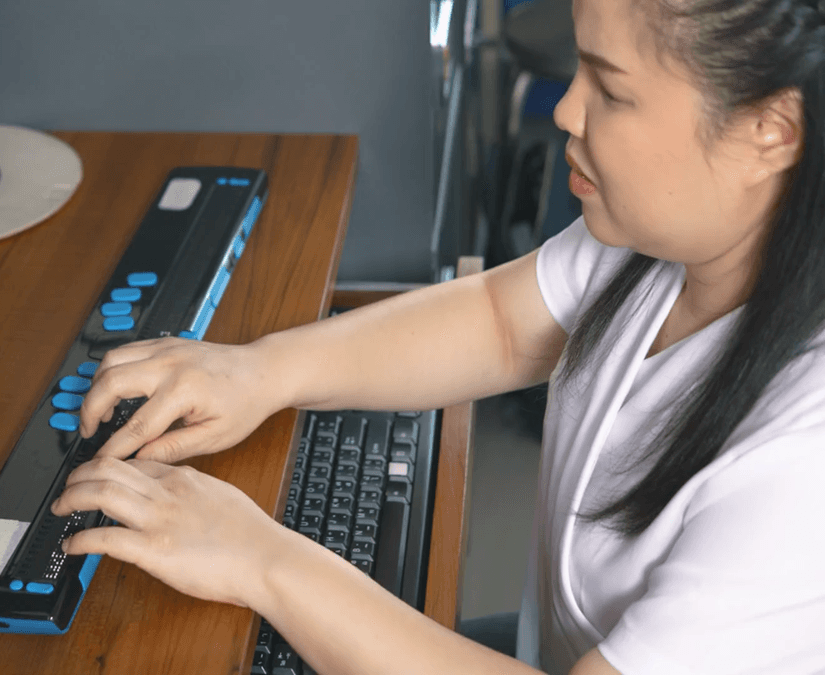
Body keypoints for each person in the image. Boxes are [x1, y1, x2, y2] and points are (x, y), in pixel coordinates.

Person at [50, 0, 825, 670]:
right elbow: (501, 320)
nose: (565, 110)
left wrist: (261, 557)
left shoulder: (801, 469)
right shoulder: (670, 232)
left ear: (769, 130)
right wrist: (260, 370)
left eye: (611, 90)